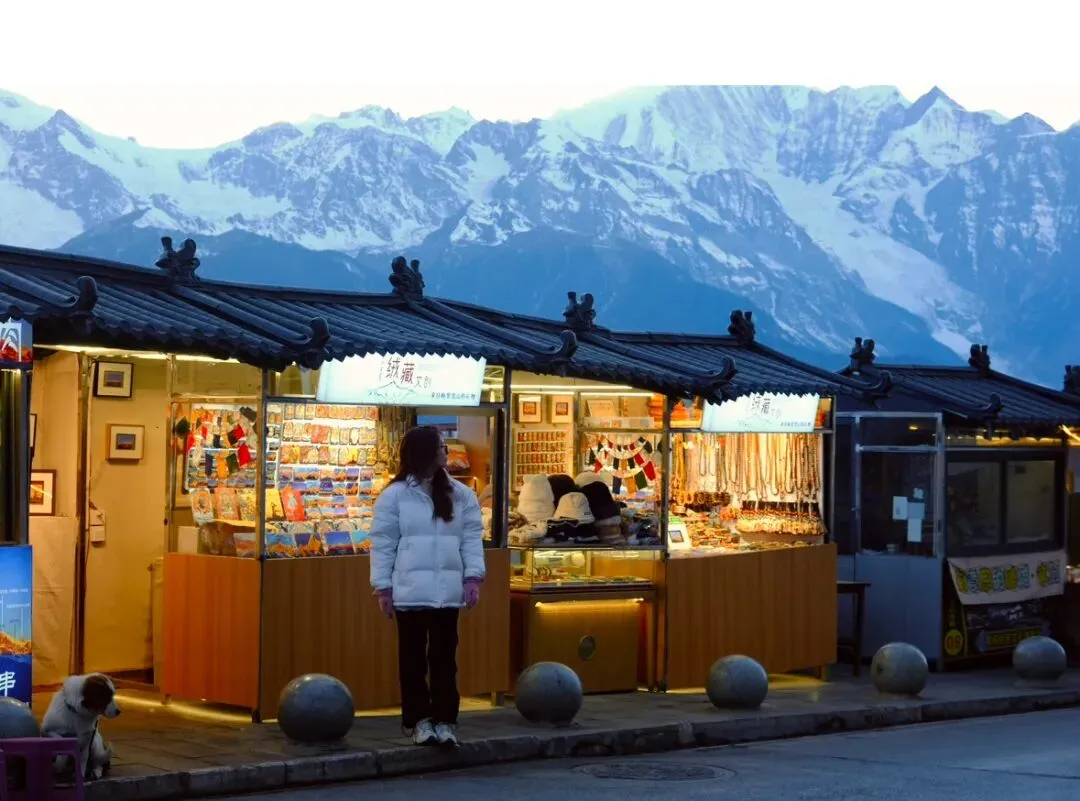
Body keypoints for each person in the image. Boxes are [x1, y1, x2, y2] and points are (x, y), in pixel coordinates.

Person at [369, 425, 485, 746]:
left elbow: (471, 539)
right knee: (412, 661)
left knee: (445, 660)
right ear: (424, 452)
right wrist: (382, 587)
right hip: (409, 591)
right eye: (441, 447)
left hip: (448, 593)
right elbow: (383, 543)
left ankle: (445, 721)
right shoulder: (395, 495)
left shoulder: (461, 494)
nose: (446, 452)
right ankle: (418, 721)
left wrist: (473, 577)